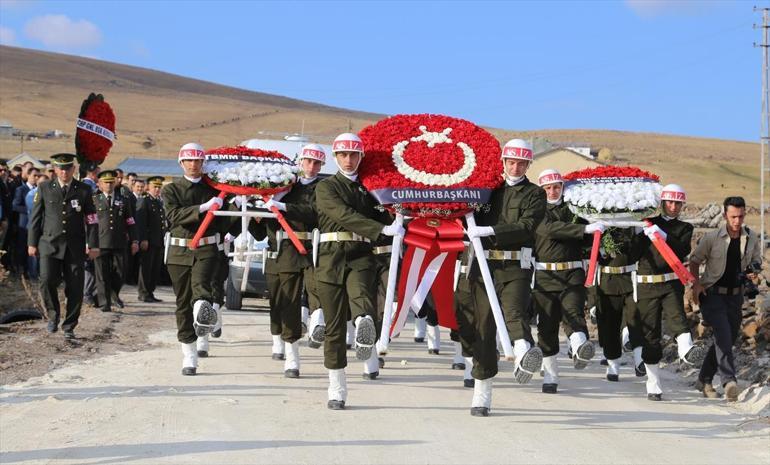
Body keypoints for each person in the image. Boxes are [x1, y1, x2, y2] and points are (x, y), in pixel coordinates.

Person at [464, 138, 546, 416]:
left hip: (515, 267)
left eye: (522, 163)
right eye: (511, 162)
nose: (515, 167)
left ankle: (524, 352)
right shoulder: (486, 191)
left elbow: (527, 226)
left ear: (528, 165)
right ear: (503, 162)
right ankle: (482, 394)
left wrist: (490, 232)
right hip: (484, 267)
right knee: (483, 329)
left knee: (514, 312)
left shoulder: (535, 194)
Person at [314, 132, 397, 409]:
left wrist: (397, 212)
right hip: (330, 258)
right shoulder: (326, 188)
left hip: (361, 255)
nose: (348, 160)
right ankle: (337, 386)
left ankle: (364, 327)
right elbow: (342, 215)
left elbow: (385, 214)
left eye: (353, 155)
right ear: (336, 157)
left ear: (361, 157)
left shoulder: (371, 189)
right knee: (335, 327)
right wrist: (380, 228)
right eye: (343, 155)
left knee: (363, 300)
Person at [163, 142, 244, 375]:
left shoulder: (214, 188)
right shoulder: (172, 189)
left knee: (201, 290)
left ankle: (203, 316)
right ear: (181, 163)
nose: (193, 165)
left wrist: (233, 206)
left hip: (207, 249)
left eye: (197, 161)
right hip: (179, 251)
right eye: (189, 160)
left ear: (203, 163)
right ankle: (189, 354)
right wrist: (202, 208)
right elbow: (173, 215)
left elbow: (221, 224)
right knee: (183, 302)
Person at [255, 143, 326, 378]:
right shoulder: (285, 185)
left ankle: (318, 325)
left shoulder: (323, 187)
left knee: (320, 291)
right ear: (300, 162)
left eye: (317, 163)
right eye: (308, 161)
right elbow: (270, 218)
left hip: (315, 247)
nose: (312, 167)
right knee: (289, 303)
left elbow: (314, 212)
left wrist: (283, 205)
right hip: (287, 248)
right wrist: (261, 211)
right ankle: (292, 355)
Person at [632, 184, 706, 401]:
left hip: (671, 284)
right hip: (646, 285)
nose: (674, 207)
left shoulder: (684, 228)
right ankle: (653, 382)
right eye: (670, 202)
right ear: (662, 203)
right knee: (650, 334)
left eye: (678, 203)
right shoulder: (647, 223)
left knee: (678, 319)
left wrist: (662, 234)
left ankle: (686, 351)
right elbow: (632, 253)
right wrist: (636, 234)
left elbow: (683, 249)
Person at [532, 169, 602, 394]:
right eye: (548, 188)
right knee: (547, 325)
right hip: (544, 276)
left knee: (573, 312)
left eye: (557, 187)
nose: (553, 191)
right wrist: (583, 228)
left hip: (572, 273)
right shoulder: (536, 210)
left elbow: (590, 236)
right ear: (542, 189)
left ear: (563, 187)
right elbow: (550, 229)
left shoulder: (575, 208)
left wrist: (597, 223)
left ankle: (580, 346)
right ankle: (550, 374)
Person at [691, 196, 762, 401]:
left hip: (735, 296)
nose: (737, 221)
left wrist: (753, 272)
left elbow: (756, 261)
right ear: (725, 216)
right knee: (722, 333)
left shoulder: (752, 237)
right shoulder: (712, 238)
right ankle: (729, 381)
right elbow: (695, 261)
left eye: (740, 216)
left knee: (727, 338)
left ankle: (703, 379)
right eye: (733, 217)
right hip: (712, 294)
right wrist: (696, 284)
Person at [27, 153, 99, 339]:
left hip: (75, 247)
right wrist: (32, 243)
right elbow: (35, 218)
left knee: (75, 286)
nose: (64, 171)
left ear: (73, 169)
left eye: (67, 168)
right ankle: (53, 316)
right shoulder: (44, 188)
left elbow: (92, 219)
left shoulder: (83, 190)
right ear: (55, 169)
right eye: (60, 168)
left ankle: (69, 325)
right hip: (49, 244)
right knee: (46, 280)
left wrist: (93, 245)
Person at [92, 170, 138, 313]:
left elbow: (130, 221)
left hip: (119, 242)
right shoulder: (94, 199)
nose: (109, 185)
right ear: (99, 184)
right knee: (102, 274)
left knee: (120, 271)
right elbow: (89, 222)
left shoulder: (123, 199)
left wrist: (134, 240)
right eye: (106, 182)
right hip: (100, 242)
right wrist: (89, 242)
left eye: (111, 182)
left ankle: (113, 293)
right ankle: (104, 302)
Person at [136, 176, 166, 303]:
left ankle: (150, 291)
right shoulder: (144, 201)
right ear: (149, 187)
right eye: (155, 187)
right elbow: (141, 222)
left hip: (158, 240)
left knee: (154, 268)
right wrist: (143, 239)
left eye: (159, 187)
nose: (157, 189)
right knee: (146, 268)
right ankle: (143, 292)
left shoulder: (158, 201)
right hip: (148, 240)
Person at [13, 167, 39, 277]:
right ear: (28, 175)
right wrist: (30, 211)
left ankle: (32, 271)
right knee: (22, 248)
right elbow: (15, 206)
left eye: (38, 175)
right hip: (24, 224)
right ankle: (21, 270)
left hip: (35, 224)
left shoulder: (39, 190)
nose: (36, 178)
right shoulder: (21, 189)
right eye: (34, 175)